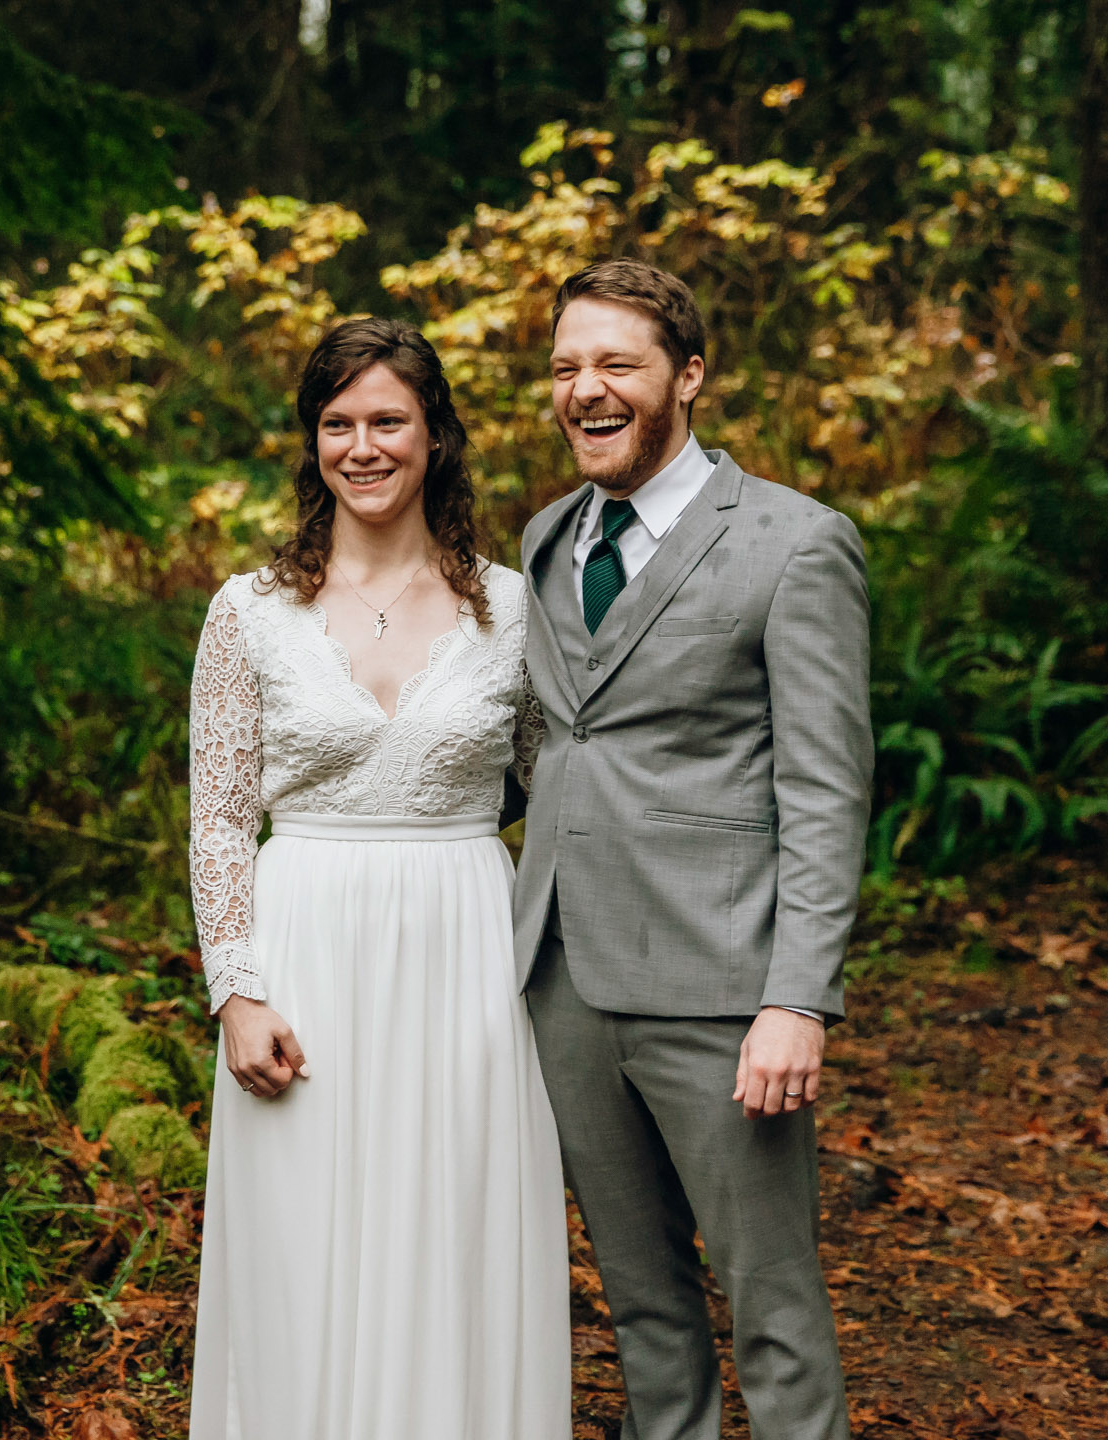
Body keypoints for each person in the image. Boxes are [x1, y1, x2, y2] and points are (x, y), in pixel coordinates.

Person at [185, 317, 569, 1440]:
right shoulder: (245, 613)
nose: (363, 446)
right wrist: (236, 990)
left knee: (455, 1234)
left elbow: (562, 793)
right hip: (301, 956)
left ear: (435, 437)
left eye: (387, 421)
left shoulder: (514, 609)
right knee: (299, 1249)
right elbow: (216, 819)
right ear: (312, 446)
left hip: (467, 957)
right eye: (337, 424)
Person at [514, 258, 873, 1440]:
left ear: (691, 376)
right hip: (563, 981)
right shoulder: (546, 538)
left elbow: (826, 793)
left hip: (722, 991)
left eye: (618, 363)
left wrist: (798, 1001)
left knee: (770, 1302)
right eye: (567, 367)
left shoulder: (795, 544)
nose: (587, 390)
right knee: (643, 1306)